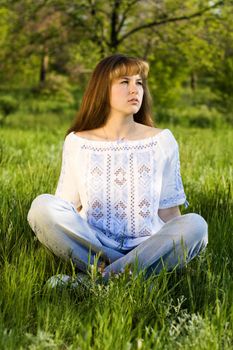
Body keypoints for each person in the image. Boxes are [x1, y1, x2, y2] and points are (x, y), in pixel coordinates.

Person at [27, 53, 208, 285]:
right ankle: (133, 276)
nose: (135, 89)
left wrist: (182, 241)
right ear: (102, 89)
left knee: (196, 225)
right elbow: (66, 205)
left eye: (139, 82)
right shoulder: (77, 141)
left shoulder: (162, 140)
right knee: (42, 206)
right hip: (93, 245)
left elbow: (170, 214)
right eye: (124, 82)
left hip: (147, 245)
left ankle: (92, 282)